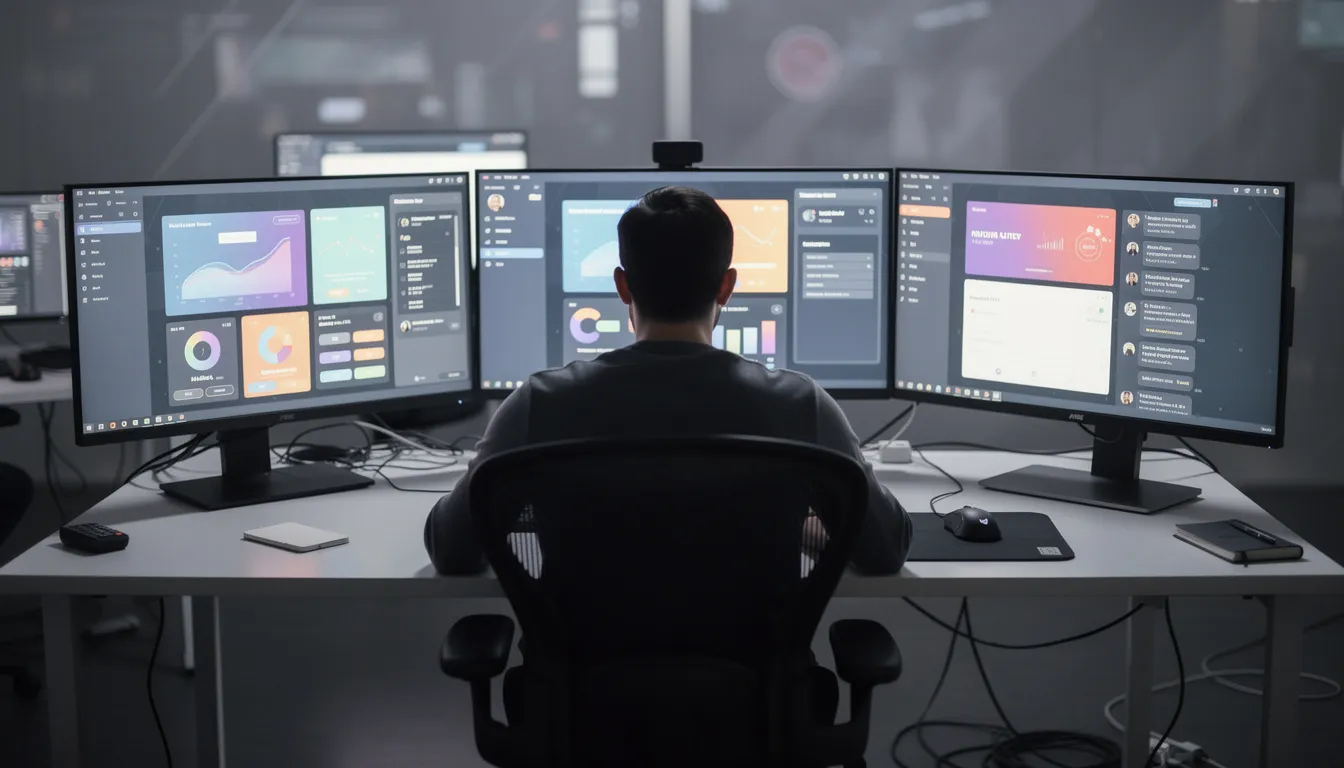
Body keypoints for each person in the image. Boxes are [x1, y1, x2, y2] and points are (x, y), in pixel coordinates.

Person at [425, 186, 912, 576]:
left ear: (622, 285)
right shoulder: (801, 405)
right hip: (754, 695)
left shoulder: (540, 403)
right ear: (727, 286)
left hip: (583, 696)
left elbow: (453, 551)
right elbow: (884, 550)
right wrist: (797, 522)